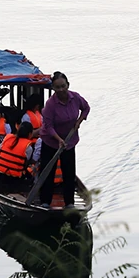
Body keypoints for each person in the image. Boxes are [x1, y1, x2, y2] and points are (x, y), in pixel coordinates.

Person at [37, 71, 90, 210]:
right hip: (51, 141)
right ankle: (45, 202)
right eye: (57, 87)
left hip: (69, 141)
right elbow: (48, 126)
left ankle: (69, 203)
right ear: (53, 88)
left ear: (68, 85)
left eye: (63, 86)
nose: (61, 90)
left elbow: (86, 108)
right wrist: (58, 139)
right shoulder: (50, 104)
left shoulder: (75, 98)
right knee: (48, 172)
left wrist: (79, 121)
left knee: (69, 172)